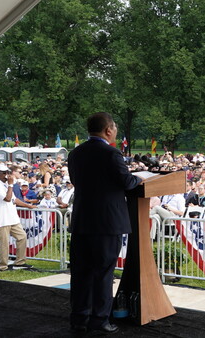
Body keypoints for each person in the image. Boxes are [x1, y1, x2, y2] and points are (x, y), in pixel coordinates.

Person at [67, 112, 142, 334]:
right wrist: (139, 177)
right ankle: (99, 320)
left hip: (82, 221)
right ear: (108, 129)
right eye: (115, 127)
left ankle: (79, 318)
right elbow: (127, 181)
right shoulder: (111, 153)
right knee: (102, 274)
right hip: (107, 224)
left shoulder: (76, 153)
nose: (116, 131)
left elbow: (75, 180)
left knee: (80, 274)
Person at [0, 164, 35, 272]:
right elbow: (7, 198)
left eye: (7, 172)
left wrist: (28, 205)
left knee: (22, 236)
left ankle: (20, 262)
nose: (6, 175)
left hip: (12, 217)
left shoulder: (5, 184)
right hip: (2, 218)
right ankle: (2, 266)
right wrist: (10, 185)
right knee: (4, 243)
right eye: (4, 173)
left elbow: (14, 200)